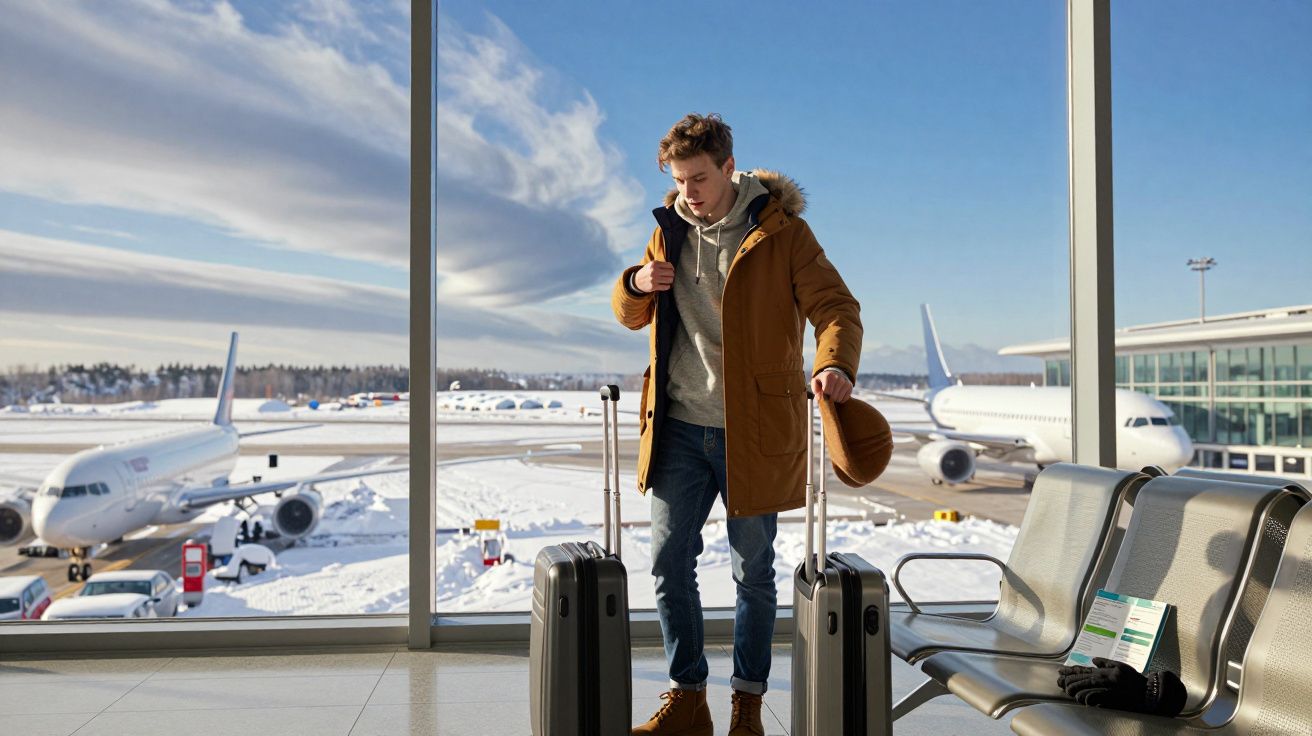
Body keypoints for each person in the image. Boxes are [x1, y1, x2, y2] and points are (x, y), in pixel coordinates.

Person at [613, 113, 862, 736]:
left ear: (729, 167)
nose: (688, 192)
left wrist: (834, 366)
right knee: (669, 565)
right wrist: (638, 282)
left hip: (754, 433)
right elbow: (629, 313)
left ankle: (747, 705)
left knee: (753, 572)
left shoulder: (783, 233)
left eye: (699, 178)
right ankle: (687, 698)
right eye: (678, 180)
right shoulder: (668, 230)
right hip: (676, 426)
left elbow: (836, 307)